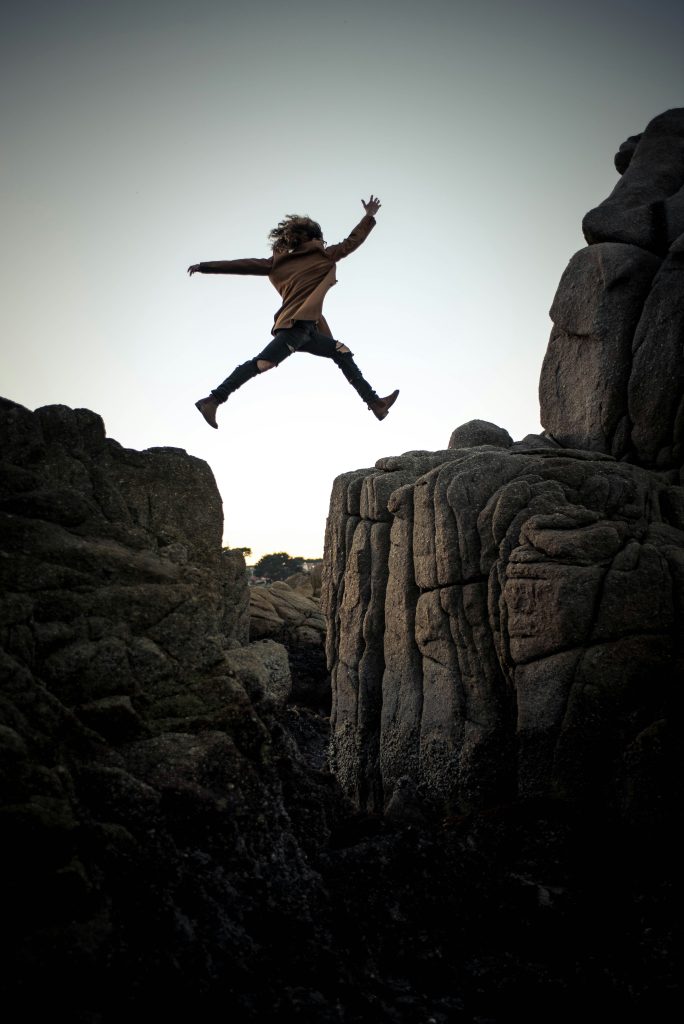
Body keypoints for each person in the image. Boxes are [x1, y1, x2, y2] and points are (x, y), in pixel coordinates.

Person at [188, 195, 399, 429]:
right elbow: (352, 241)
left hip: (308, 329)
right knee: (263, 363)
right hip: (295, 327)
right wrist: (368, 216)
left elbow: (241, 264)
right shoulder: (322, 255)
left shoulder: (278, 263)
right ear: (312, 238)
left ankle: (376, 404)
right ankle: (213, 400)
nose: (323, 241)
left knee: (341, 351)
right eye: (320, 237)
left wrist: (205, 266)